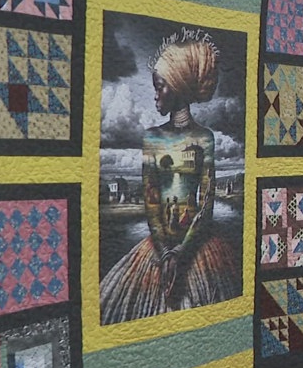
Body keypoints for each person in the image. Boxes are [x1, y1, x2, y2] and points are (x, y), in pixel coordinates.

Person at [100, 30, 237, 325]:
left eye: (160, 87)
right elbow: (151, 200)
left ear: (176, 87)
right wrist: (166, 252)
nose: (155, 95)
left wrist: (181, 252)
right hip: (159, 248)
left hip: (195, 247)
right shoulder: (152, 138)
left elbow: (207, 202)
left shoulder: (203, 138)